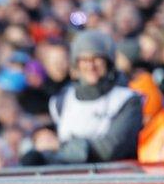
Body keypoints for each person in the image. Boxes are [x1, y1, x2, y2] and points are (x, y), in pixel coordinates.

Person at [25, 30, 142, 165]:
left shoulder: (127, 100)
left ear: (108, 61)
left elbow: (111, 148)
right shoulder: (63, 99)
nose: (90, 66)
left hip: (113, 178)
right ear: (77, 64)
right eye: (84, 60)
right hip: (68, 178)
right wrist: (43, 135)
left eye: (97, 59)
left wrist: (61, 147)